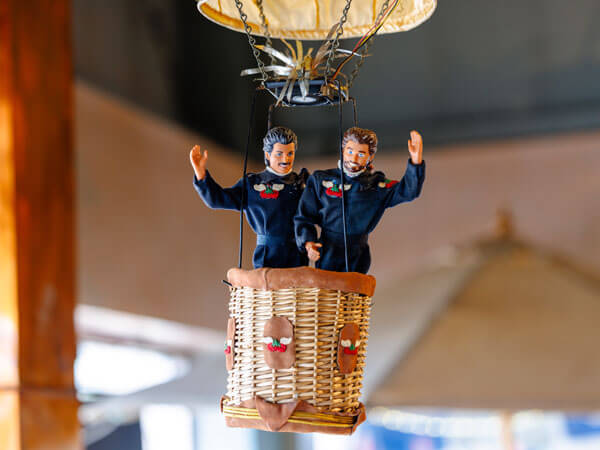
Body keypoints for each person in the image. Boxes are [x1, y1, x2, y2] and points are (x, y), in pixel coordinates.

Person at [294, 127, 425, 274]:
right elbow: (304, 216)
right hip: (328, 249)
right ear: (342, 151)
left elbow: (407, 191)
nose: (353, 159)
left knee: (355, 292)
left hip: (358, 253)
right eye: (350, 151)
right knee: (327, 290)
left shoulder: (376, 185)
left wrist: (416, 161)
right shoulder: (321, 180)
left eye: (361, 154)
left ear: (370, 157)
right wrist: (308, 242)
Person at [190, 127, 309, 269]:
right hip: (268, 256)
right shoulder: (253, 184)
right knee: (266, 289)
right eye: (279, 154)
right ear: (267, 154)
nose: (285, 159)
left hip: (297, 256)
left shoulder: (302, 182)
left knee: (299, 289)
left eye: (290, 153)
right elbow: (218, 199)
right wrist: (201, 174)